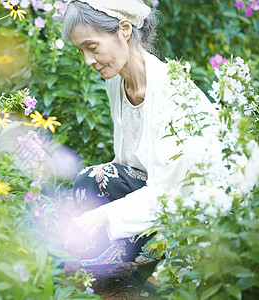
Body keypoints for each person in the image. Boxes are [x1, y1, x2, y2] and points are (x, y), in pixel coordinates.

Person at [60, 0, 218, 281]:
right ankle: (129, 259)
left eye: (92, 47)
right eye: (81, 51)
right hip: (150, 196)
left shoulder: (172, 93)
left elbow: (170, 195)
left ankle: (166, 264)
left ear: (124, 30)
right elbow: (123, 161)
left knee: (95, 218)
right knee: (87, 185)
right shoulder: (116, 80)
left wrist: (100, 217)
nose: (87, 61)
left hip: (190, 213)